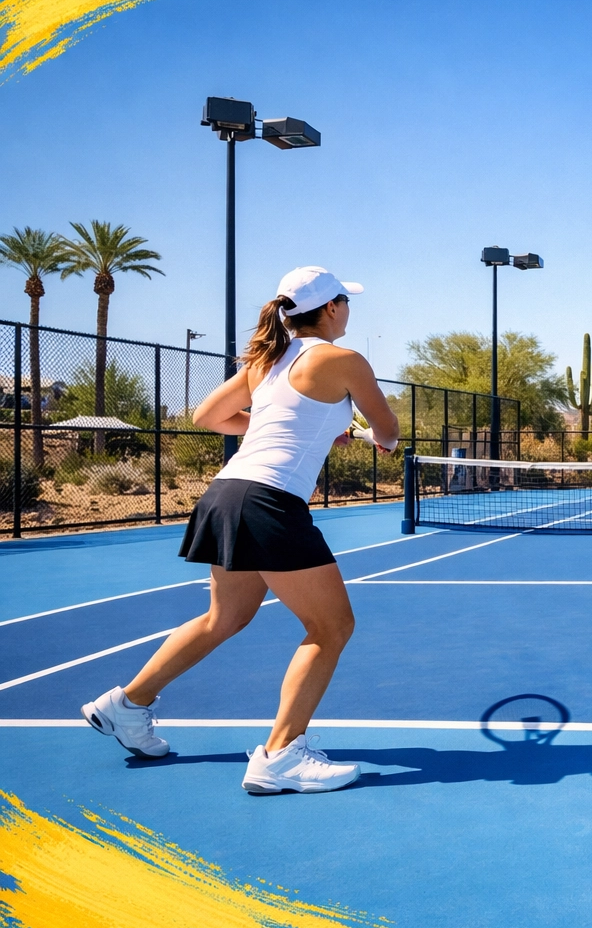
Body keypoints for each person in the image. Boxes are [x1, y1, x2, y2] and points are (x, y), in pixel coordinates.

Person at [81, 267, 400, 793]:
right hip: (269, 501)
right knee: (331, 628)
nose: (349, 308)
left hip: (226, 494)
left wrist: (296, 425)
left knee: (224, 617)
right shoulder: (343, 360)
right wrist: (380, 438)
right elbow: (386, 431)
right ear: (332, 308)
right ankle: (280, 757)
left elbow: (209, 415)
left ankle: (128, 704)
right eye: (345, 300)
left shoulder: (266, 361)